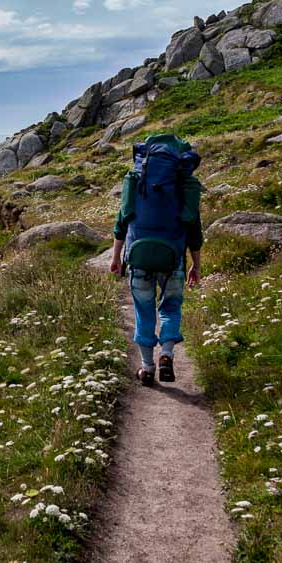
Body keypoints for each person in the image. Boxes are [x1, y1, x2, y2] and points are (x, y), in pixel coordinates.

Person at [108, 134, 203, 386]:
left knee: (143, 311)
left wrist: (116, 257)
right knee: (171, 307)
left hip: (138, 257)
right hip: (173, 258)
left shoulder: (136, 179)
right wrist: (196, 264)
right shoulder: (186, 184)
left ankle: (147, 368)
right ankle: (167, 355)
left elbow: (122, 222)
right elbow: (193, 228)